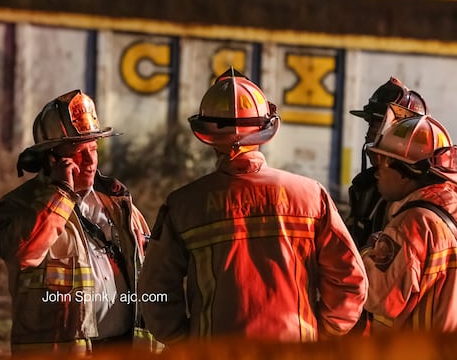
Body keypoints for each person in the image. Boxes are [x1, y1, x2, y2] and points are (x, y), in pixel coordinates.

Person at [138, 68, 368, 344]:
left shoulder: (184, 205)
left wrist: (184, 342)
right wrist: (320, 334)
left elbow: (155, 289)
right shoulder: (310, 196)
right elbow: (349, 280)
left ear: (207, 135)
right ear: (266, 129)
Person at [0, 89, 151, 355]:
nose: (90, 161)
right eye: (78, 151)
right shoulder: (17, 206)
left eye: (93, 149)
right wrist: (61, 192)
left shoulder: (119, 203)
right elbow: (24, 253)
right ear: (51, 158)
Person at [361, 114, 457, 332]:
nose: (377, 172)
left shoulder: (410, 225)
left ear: (407, 172)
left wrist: (366, 256)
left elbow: (379, 297)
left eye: (382, 161)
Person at [346, 76, 429, 249]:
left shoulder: (417, 194)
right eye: (369, 125)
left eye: (377, 126)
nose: (368, 136)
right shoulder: (365, 187)